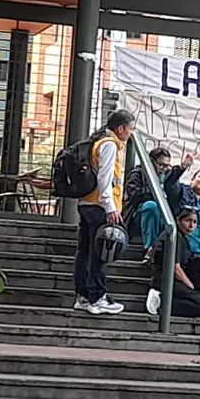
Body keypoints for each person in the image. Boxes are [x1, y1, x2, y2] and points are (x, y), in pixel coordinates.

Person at [73, 109, 135, 315]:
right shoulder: (109, 145)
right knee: (100, 252)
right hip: (100, 205)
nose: (130, 134)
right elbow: (105, 179)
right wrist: (111, 207)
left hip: (86, 202)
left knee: (84, 252)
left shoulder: (97, 141)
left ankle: (83, 295)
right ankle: (97, 296)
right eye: (129, 129)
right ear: (120, 128)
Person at [146, 206, 200, 318]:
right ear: (178, 220)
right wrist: (190, 285)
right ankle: (160, 302)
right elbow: (176, 268)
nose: (191, 226)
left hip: (171, 280)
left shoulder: (180, 237)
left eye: (194, 222)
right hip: (165, 280)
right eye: (187, 221)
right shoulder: (174, 236)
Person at [122, 147, 171, 260]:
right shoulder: (138, 173)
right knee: (151, 206)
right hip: (139, 215)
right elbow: (133, 195)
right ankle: (150, 248)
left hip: (160, 216)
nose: (164, 169)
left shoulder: (166, 177)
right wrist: (154, 191)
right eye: (161, 164)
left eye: (167, 165)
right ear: (151, 161)